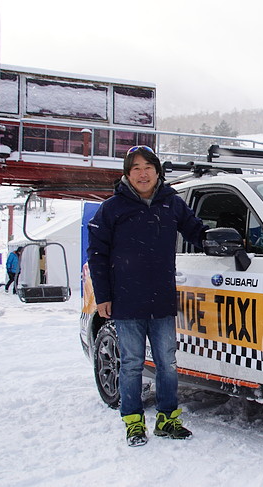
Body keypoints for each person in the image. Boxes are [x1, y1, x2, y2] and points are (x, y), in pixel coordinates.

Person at [87, 145, 208, 447]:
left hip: (162, 299)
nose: (143, 173)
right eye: (136, 168)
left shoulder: (171, 203)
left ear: (157, 171)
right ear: (128, 174)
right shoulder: (112, 208)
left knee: (167, 362)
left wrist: (222, 240)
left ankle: (168, 420)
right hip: (126, 301)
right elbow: (97, 255)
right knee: (131, 363)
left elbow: (196, 231)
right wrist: (103, 296)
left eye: (148, 167)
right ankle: (134, 422)